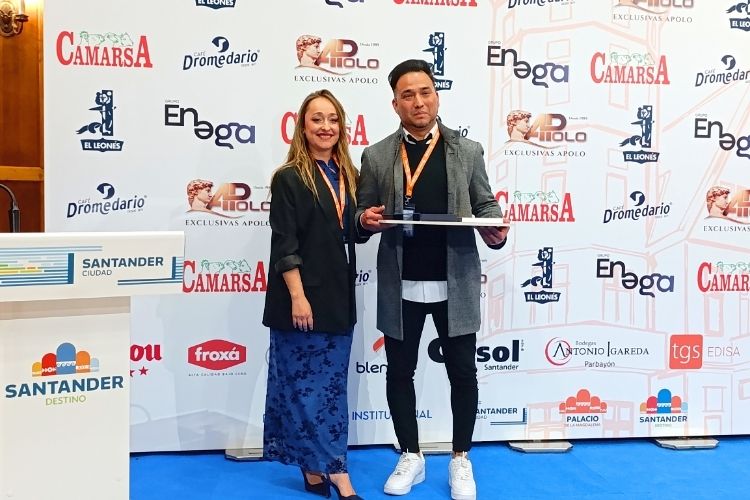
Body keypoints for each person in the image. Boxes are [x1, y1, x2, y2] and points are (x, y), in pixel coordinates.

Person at [355, 59, 509, 500]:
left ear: (436, 97)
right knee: (399, 372)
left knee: (463, 372)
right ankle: (411, 455)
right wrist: (364, 220)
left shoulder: (467, 151)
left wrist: (495, 228)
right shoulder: (377, 155)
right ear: (395, 104)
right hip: (399, 282)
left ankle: (460, 458)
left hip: (454, 282)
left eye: (425, 92)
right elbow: (361, 214)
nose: (418, 102)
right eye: (408, 95)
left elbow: (484, 205)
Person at [262, 89, 364, 500]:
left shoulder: (350, 175)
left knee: (331, 389)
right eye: (317, 119)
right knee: (299, 389)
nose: (326, 127)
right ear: (302, 128)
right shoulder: (289, 177)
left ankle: (321, 466)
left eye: (333, 119)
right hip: (299, 297)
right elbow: (284, 243)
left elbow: (349, 232)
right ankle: (330, 469)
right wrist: (298, 296)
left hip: (338, 296)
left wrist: (368, 222)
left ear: (342, 127)